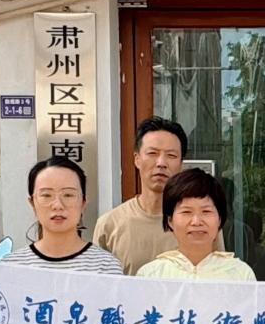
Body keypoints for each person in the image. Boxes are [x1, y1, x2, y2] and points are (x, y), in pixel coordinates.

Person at [94, 116, 224, 274]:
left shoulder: (201, 224)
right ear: (137, 159)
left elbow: (219, 276)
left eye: (171, 155)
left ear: (181, 164)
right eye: (152, 153)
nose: (161, 163)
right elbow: (99, 285)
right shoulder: (110, 225)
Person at [2, 157, 122, 273]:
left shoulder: (106, 266)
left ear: (83, 202)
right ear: (32, 203)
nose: (58, 205)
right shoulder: (11, 266)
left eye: (68, 195)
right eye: (46, 195)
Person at [136, 170, 255, 281]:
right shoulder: (151, 275)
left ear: (219, 219)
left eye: (206, 211)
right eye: (186, 212)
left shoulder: (241, 274)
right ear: (170, 220)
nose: (196, 222)